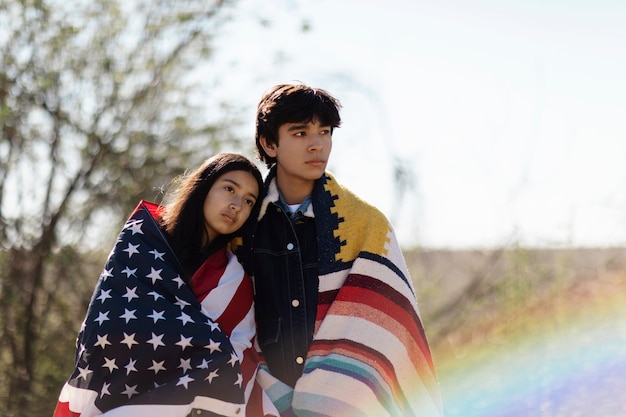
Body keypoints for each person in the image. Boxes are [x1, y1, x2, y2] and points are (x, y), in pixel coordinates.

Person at [243, 83, 443, 416]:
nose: (317, 144)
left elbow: (389, 332)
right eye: (300, 133)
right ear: (269, 143)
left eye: (325, 131)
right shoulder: (243, 226)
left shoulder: (366, 225)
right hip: (260, 399)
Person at [53, 153, 278, 417]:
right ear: (204, 186)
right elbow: (106, 322)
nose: (237, 205)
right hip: (114, 390)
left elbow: (233, 353)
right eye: (229, 189)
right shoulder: (142, 239)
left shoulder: (233, 279)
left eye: (249, 201)